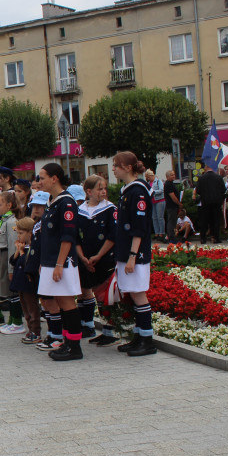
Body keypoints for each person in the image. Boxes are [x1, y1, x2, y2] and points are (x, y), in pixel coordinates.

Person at [35, 163, 84, 361]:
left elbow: (68, 236)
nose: (39, 182)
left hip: (62, 262)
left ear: (54, 178)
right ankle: (67, 342)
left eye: (42, 178)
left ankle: (75, 347)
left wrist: (58, 264)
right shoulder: (52, 201)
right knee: (60, 303)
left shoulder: (67, 202)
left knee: (66, 302)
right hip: (51, 260)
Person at [112, 151, 156, 357]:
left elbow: (139, 228)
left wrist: (132, 255)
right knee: (133, 293)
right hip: (126, 251)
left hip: (135, 253)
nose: (113, 169)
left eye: (116, 166)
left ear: (128, 168)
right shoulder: (128, 190)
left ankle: (147, 340)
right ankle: (139, 336)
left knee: (139, 293)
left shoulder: (138, 191)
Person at [74, 175, 118, 346]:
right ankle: (87, 324)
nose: (104, 192)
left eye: (104, 188)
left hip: (104, 258)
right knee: (85, 290)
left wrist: (99, 256)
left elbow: (113, 235)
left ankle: (110, 331)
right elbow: (76, 237)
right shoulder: (81, 210)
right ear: (88, 191)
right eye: (100, 189)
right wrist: (83, 258)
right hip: (85, 259)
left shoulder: (109, 209)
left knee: (103, 295)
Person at [0, 190, 25, 334]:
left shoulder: (11, 222)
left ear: (9, 205)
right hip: (2, 256)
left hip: (8, 257)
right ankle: (11, 320)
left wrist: (12, 268)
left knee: (13, 292)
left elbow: (13, 246)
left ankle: (17, 321)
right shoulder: (4, 220)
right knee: (8, 291)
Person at [193, 163, 224, 244]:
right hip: (216, 202)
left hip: (205, 202)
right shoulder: (218, 177)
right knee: (216, 220)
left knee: (204, 221)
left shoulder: (202, 178)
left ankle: (203, 238)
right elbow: (223, 190)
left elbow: (198, 191)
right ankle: (216, 237)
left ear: (206, 168)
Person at [146, 169, 165, 240]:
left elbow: (161, 190)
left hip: (160, 200)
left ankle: (161, 232)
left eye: (149, 177)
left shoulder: (158, 181)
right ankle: (156, 232)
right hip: (152, 201)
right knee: (154, 217)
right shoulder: (148, 183)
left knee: (160, 217)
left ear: (152, 176)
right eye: (147, 177)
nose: (148, 178)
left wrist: (153, 192)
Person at [163, 171, 181, 244]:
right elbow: (172, 196)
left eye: (174, 174)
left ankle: (172, 236)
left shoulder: (171, 183)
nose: (173, 176)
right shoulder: (168, 184)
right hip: (171, 206)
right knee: (171, 222)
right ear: (167, 177)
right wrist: (179, 203)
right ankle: (171, 237)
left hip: (173, 206)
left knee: (173, 221)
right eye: (171, 175)